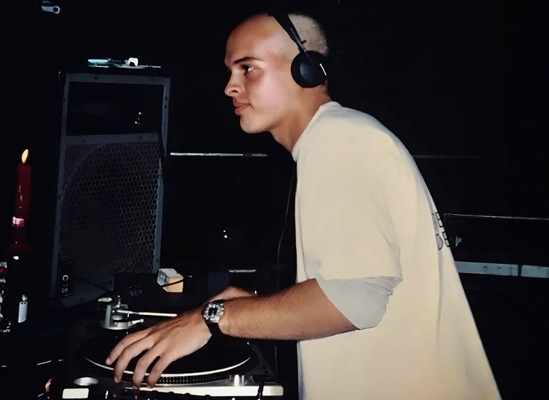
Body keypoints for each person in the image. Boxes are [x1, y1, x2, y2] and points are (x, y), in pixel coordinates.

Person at [107, 12, 501, 399]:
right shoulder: (342, 137)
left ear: (306, 70)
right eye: (229, 72)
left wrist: (212, 319)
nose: (230, 86)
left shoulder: (339, 141)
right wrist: (254, 307)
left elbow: (356, 301)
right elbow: (357, 288)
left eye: (248, 68)